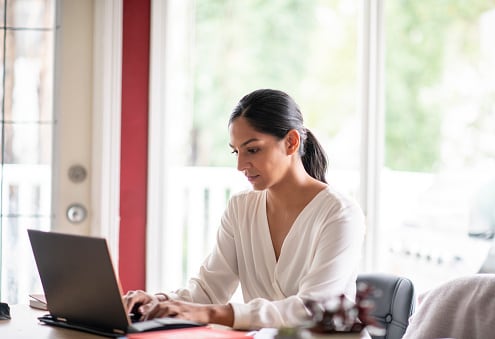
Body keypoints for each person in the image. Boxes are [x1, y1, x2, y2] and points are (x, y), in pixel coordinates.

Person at [123, 89, 366, 330]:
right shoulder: (241, 208)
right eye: (235, 151)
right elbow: (209, 291)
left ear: (291, 142)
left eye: (252, 149)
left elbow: (312, 310)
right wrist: (157, 301)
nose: (240, 165)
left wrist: (210, 313)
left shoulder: (340, 214)